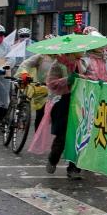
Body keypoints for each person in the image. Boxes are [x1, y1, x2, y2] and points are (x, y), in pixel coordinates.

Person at [45, 51, 85, 180]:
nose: (82, 53)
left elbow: (89, 76)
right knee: (62, 136)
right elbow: (51, 83)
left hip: (79, 101)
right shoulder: (58, 64)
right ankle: (53, 158)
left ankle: (74, 168)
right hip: (62, 102)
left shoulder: (81, 62)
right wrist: (67, 79)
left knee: (78, 135)